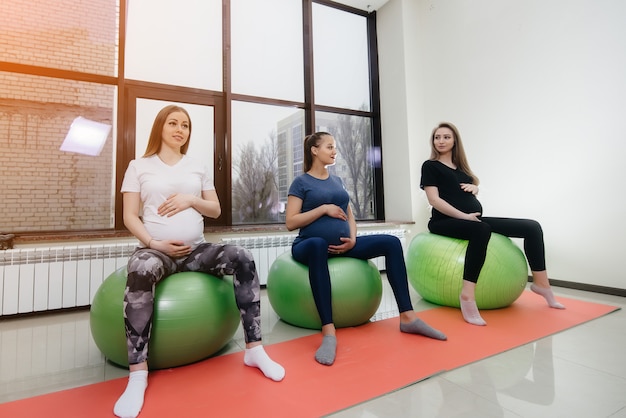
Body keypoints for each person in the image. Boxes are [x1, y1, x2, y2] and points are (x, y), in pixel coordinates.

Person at [115, 105, 285, 418]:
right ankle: (138, 374)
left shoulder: (196, 166)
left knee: (243, 258)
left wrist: (191, 200)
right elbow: (128, 215)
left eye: (186, 125)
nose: (180, 130)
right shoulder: (139, 166)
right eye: (173, 123)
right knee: (139, 270)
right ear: (160, 127)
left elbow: (215, 210)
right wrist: (154, 243)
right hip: (156, 251)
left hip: (196, 250)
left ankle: (255, 350)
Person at [285, 132, 447, 367]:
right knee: (319, 245)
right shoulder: (301, 183)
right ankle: (328, 331)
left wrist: (352, 239)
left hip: (343, 244)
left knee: (391, 243)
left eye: (334, 147)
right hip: (309, 245)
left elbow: (350, 217)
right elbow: (291, 222)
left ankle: (408, 317)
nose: (334, 151)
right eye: (329, 146)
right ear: (314, 150)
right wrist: (323, 209)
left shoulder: (337, 181)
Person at [420, 122, 565, 326]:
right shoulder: (430, 166)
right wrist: (464, 216)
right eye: (437, 137)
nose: (441, 141)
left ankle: (542, 284)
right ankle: (467, 296)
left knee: (532, 227)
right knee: (482, 229)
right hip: (443, 222)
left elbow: (464, 187)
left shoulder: (462, 171)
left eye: (446, 137)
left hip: (471, 219)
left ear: (455, 141)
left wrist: (475, 188)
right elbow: (434, 200)